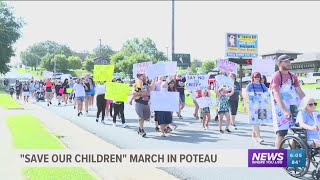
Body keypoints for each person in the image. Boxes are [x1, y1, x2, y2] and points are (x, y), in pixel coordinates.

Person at [270, 54, 305, 148]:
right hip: (281, 108)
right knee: (281, 133)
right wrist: (285, 110)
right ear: (279, 63)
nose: (289, 63)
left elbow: (300, 91)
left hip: (293, 106)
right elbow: (276, 94)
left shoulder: (293, 76)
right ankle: (278, 156)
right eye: (286, 61)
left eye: (289, 61)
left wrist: (308, 103)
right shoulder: (276, 76)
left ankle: (292, 156)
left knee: (295, 132)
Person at [243, 72, 268, 143]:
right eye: (255, 78)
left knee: (260, 121)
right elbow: (246, 95)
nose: (257, 79)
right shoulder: (250, 85)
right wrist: (245, 105)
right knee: (255, 121)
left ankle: (253, 136)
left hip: (262, 106)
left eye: (258, 78)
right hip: (252, 106)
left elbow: (267, 94)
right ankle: (259, 137)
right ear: (253, 78)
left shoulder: (262, 85)